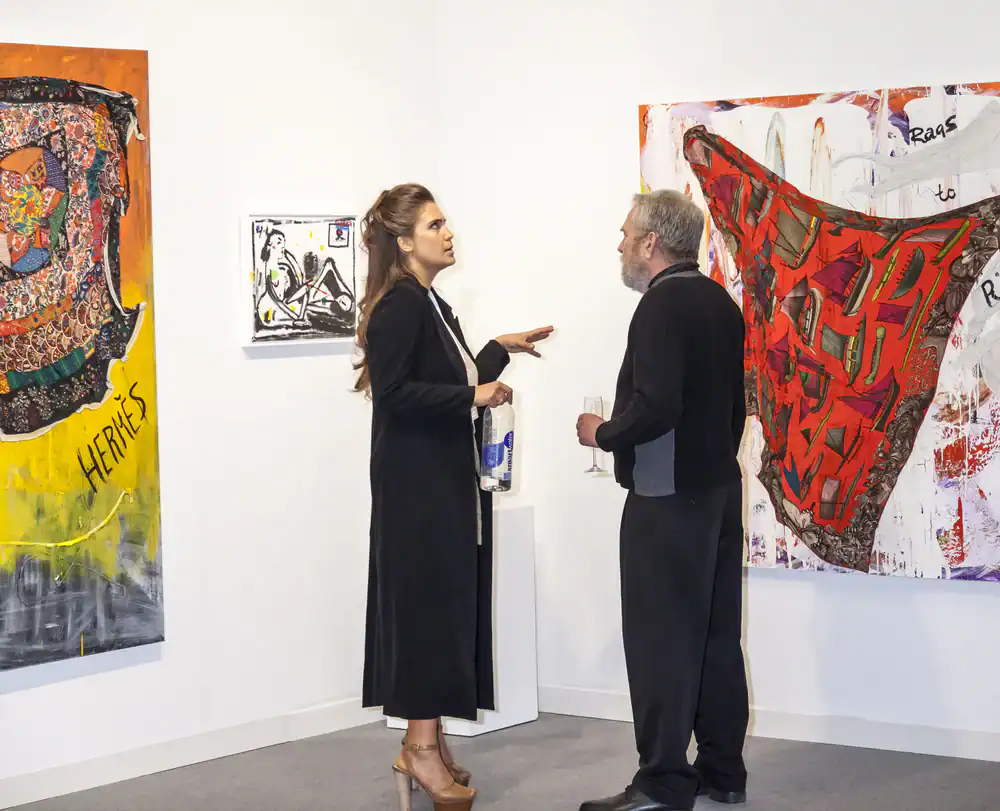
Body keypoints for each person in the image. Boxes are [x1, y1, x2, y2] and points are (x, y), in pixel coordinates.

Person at [355, 183, 553, 811]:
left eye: (446, 223)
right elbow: (395, 395)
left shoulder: (430, 303)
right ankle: (416, 747)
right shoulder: (400, 308)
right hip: (415, 490)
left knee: (440, 607)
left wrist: (499, 351)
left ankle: (429, 739)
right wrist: (475, 396)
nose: (448, 233)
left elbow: (450, 376)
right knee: (421, 610)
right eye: (435, 225)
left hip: (440, 482)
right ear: (404, 240)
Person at [575, 189, 749, 811]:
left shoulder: (658, 307)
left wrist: (602, 433)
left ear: (652, 243)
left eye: (625, 233)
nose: (619, 243)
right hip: (718, 493)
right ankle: (723, 773)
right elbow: (736, 411)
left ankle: (662, 782)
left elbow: (656, 406)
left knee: (660, 642)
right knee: (715, 637)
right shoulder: (721, 305)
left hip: (666, 499)